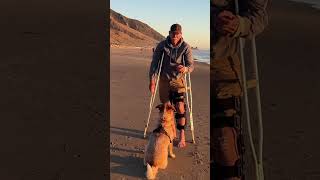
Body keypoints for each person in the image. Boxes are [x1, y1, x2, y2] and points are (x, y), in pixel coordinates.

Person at [211, 0, 268, 179]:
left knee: (225, 139)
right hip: (196, 65)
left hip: (225, 63)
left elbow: (258, 14)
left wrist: (239, 25)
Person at [149, 23, 194, 148]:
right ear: (169, 33)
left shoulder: (186, 47)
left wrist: (185, 69)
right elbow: (154, 64)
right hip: (164, 80)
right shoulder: (162, 45)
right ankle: (169, 131)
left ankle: (182, 136)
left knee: (180, 107)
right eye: (173, 33)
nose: (175, 35)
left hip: (178, 80)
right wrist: (152, 81)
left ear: (181, 34)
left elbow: (191, 66)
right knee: (167, 108)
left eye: (177, 33)